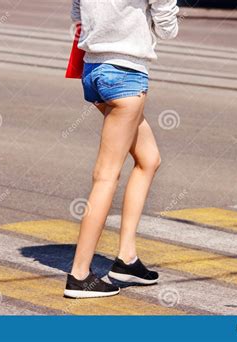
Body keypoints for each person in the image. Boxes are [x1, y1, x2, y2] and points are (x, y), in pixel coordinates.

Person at [65, 0, 179, 299]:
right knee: (106, 176)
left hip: (93, 71)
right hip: (125, 74)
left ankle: (126, 259)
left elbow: (77, 14)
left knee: (149, 159)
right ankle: (79, 275)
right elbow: (167, 27)